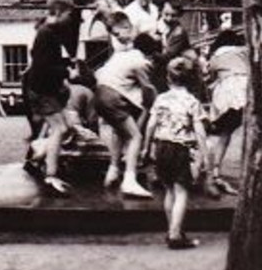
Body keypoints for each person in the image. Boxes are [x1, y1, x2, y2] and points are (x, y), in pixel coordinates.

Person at [148, 56, 208, 249]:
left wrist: (146, 146)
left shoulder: (160, 99)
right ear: (192, 80)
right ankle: (175, 235)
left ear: (167, 78)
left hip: (162, 146)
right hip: (180, 148)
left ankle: (172, 229)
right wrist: (205, 155)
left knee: (169, 191)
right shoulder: (192, 101)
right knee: (182, 191)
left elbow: (151, 124)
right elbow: (199, 130)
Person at [93, 13, 154, 199]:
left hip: (100, 95)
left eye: (118, 34)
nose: (118, 38)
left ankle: (113, 170)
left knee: (121, 132)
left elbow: (104, 74)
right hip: (112, 96)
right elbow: (148, 89)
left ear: (128, 27)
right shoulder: (139, 59)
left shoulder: (120, 55)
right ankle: (130, 179)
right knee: (135, 136)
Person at [21, 0, 77, 196]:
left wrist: (65, 66)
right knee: (60, 129)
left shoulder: (52, 32)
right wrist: (66, 72)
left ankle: (35, 161)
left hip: (47, 90)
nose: (71, 18)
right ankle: (51, 176)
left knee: (66, 128)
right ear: (60, 12)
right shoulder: (46, 34)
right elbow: (42, 68)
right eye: (69, 14)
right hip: (42, 91)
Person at [204, 28, 249, 195]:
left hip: (227, 90)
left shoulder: (215, 56)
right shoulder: (244, 51)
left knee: (225, 132)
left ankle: (215, 169)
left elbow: (210, 74)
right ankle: (248, 169)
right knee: (249, 130)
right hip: (245, 87)